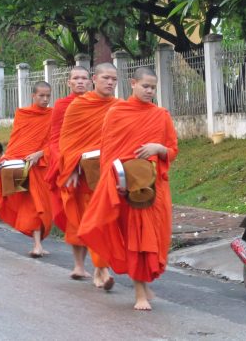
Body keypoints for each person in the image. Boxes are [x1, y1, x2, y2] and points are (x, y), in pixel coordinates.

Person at [79, 67, 178, 310]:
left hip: (155, 188)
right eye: (145, 86)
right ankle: (139, 293)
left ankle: (145, 284)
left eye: (153, 88)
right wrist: (116, 184)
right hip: (129, 188)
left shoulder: (161, 115)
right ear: (133, 83)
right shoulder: (117, 112)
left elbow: (172, 150)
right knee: (137, 239)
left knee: (155, 239)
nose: (149, 91)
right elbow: (109, 153)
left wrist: (158, 148)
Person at [58, 63, 119, 288]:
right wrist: (72, 167)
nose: (110, 82)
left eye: (114, 79)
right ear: (95, 79)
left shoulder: (120, 107)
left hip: (110, 174)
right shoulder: (79, 106)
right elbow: (67, 140)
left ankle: (100, 269)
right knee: (93, 221)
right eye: (105, 78)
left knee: (107, 222)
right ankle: (101, 270)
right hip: (85, 175)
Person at [0, 81, 53, 257]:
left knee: (44, 205)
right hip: (25, 166)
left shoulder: (54, 115)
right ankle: (37, 245)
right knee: (34, 205)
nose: (45, 99)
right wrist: (6, 159)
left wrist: (39, 154)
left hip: (42, 165)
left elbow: (56, 143)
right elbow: (16, 140)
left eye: (48, 96)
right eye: (41, 96)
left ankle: (38, 243)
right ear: (33, 96)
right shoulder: (23, 114)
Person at [45, 66, 91, 237]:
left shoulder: (100, 104)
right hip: (69, 165)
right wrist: (67, 165)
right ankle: (79, 262)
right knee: (74, 209)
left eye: (84, 78)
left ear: (90, 81)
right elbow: (55, 138)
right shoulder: (61, 105)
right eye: (76, 78)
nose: (80, 81)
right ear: (69, 82)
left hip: (94, 164)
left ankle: (100, 262)